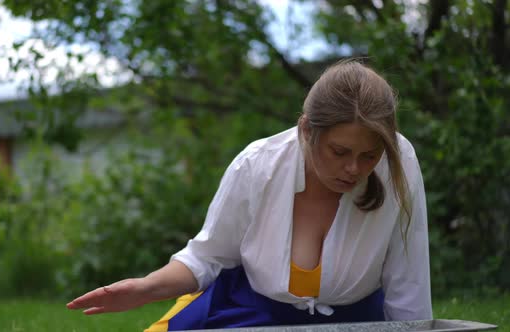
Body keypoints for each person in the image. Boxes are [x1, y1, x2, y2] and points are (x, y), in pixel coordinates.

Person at [66, 60, 432, 330]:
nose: (354, 168)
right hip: (255, 316)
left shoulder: (400, 160)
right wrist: (145, 289)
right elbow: (205, 258)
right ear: (307, 130)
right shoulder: (257, 165)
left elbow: (408, 283)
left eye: (368, 155)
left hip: (355, 321)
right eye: (339, 152)